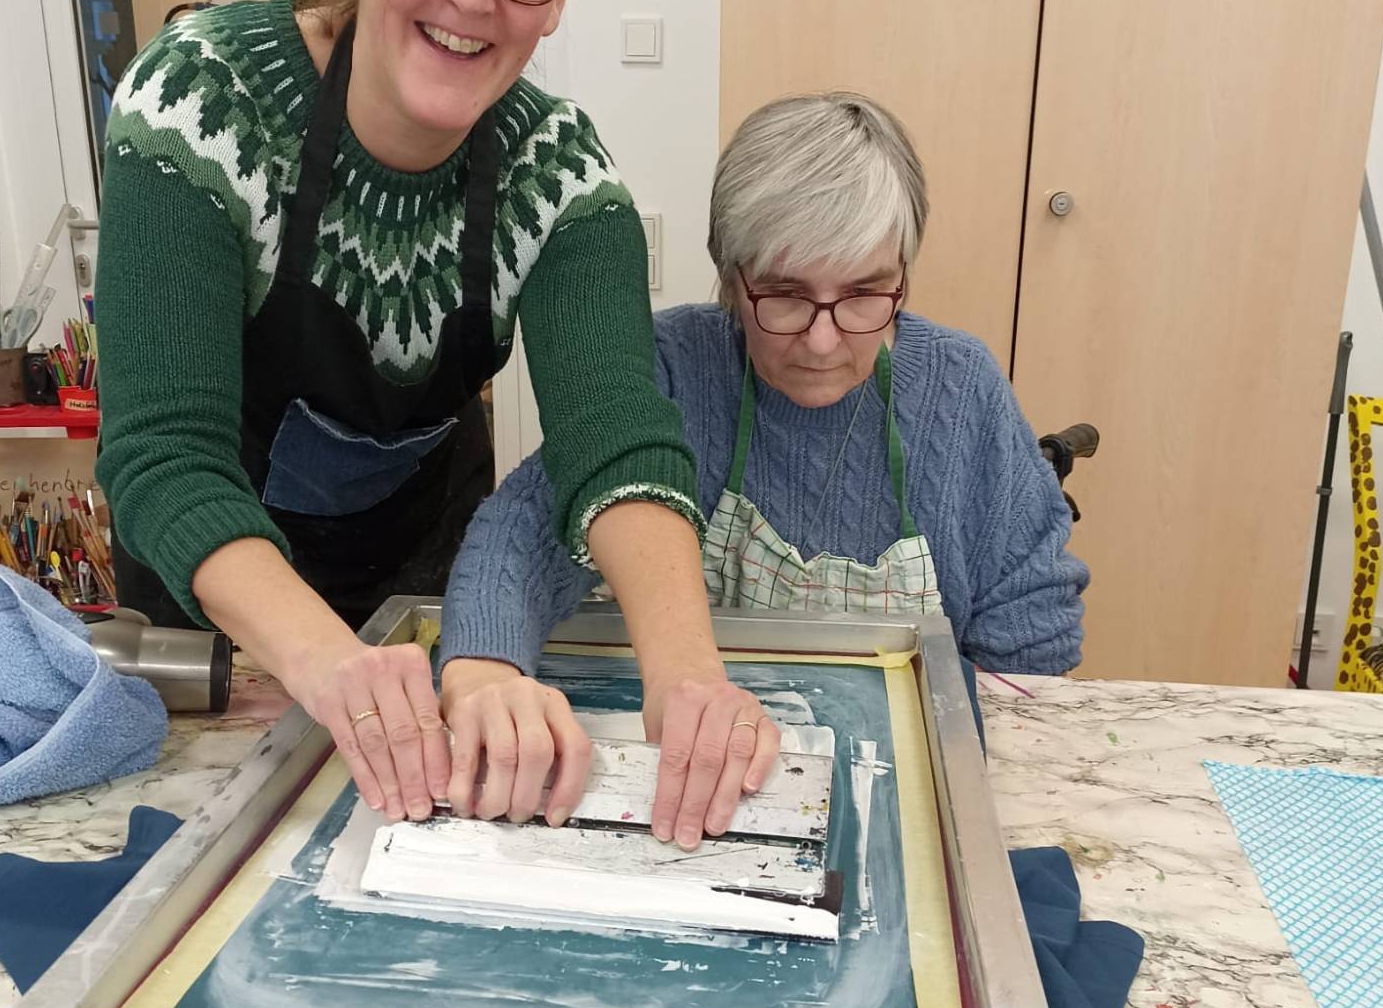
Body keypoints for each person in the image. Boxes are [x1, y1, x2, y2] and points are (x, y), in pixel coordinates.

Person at [95, 0, 776, 844]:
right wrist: (332, 666)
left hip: (418, 588)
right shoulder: (202, 102)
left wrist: (688, 671)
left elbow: (616, 442)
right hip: (220, 628)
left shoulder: (558, 173)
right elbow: (163, 457)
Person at [439, 92, 1088, 818]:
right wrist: (488, 670)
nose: (822, 340)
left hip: (900, 790)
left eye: (863, 294)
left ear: (902, 276)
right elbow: (519, 537)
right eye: (783, 295)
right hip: (680, 784)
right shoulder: (671, 367)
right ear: (730, 278)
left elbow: (1030, 633)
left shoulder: (960, 390)